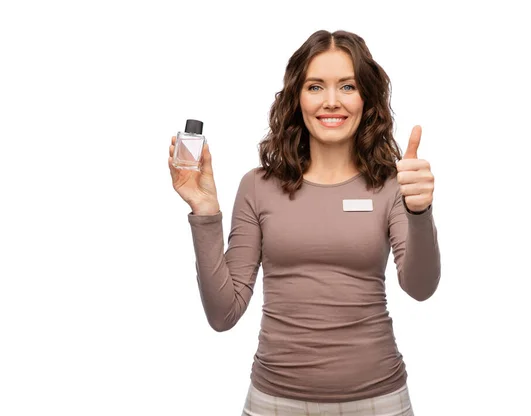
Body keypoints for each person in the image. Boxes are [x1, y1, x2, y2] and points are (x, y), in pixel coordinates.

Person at [168, 29, 440, 416]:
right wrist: (205, 211)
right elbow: (223, 313)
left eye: (347, 86)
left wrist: (420, 212)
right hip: (274, 402)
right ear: (297, 97)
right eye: (316, 87)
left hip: (379, 400)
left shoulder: (391, 185)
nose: (331, 102)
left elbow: (420, 287)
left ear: (367, 98)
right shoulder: (258, 186)